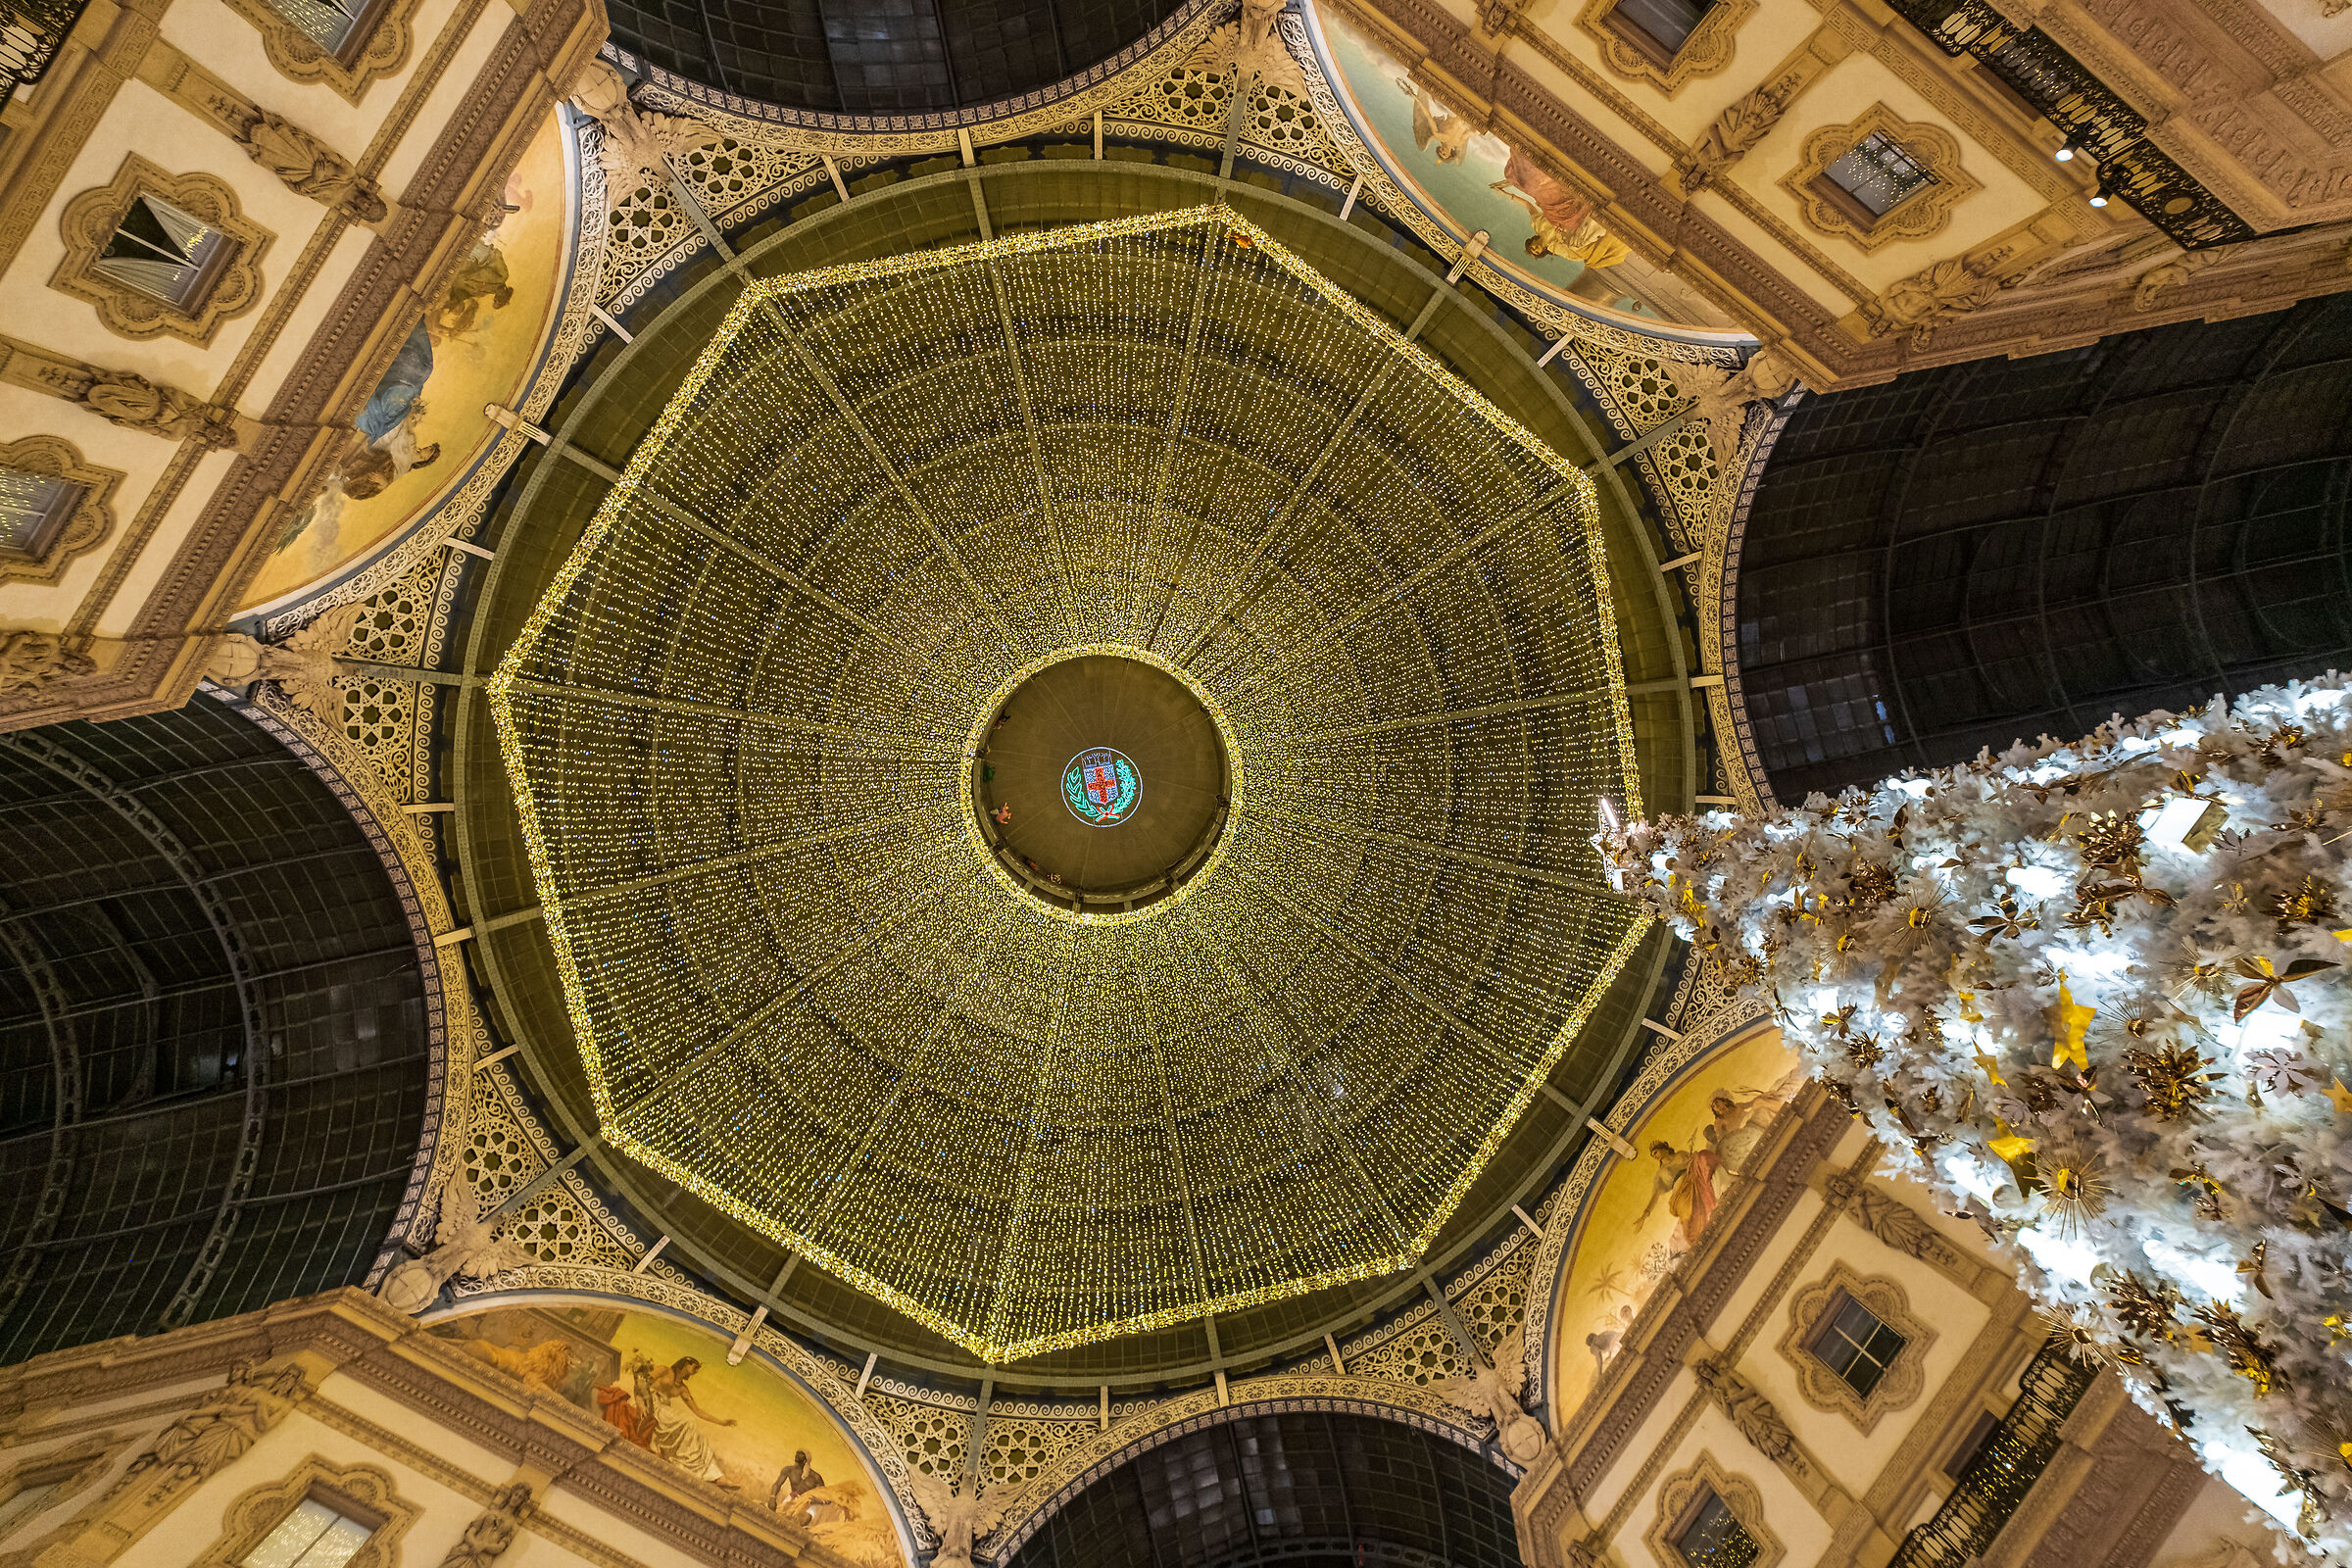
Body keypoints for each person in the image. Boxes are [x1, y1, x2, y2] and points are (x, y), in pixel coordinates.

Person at [597, 1354, 738, 1487]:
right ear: (685, 1363)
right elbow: (641, 1381)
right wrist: (639, 1401)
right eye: (694, 1366)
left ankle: (707, 1471)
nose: (696, 1370)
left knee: (693, 1426)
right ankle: (696, 1467)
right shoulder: (664, 1370)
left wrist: (722, 1422)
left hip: (663, 1411)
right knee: (687, 1421)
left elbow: (698, 1411)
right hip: (647, 1401)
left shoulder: (683, 1388)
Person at [1491, 148, 1632, 268]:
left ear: (1531, 241)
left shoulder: (1538, 226)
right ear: (1542, 252)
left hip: (1554, 211)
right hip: (1570, 228)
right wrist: (1563, 235)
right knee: (1575, 244)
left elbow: (1528, 206)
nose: (1535, 248)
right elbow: (1574, 255)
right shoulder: (1554, 248)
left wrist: (1507, 194)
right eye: (1536, 251)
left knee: (1524, 183)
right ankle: (1607, 216)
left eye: (1532, 247)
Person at [1637, 1138, 1721, 1251]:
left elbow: (1692, 1160)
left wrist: (1693, 1159)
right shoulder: (1661, 1173)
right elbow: (1655, 1195)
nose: (1654, 1156)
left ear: (1663, 1148)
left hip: (1694, 1176)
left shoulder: (1680, 1154)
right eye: (1652, 1155)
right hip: (1681, 1193)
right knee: (1684, 1207)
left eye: (1655, 1152)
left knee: (1703, 1156)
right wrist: (1644, 1216)